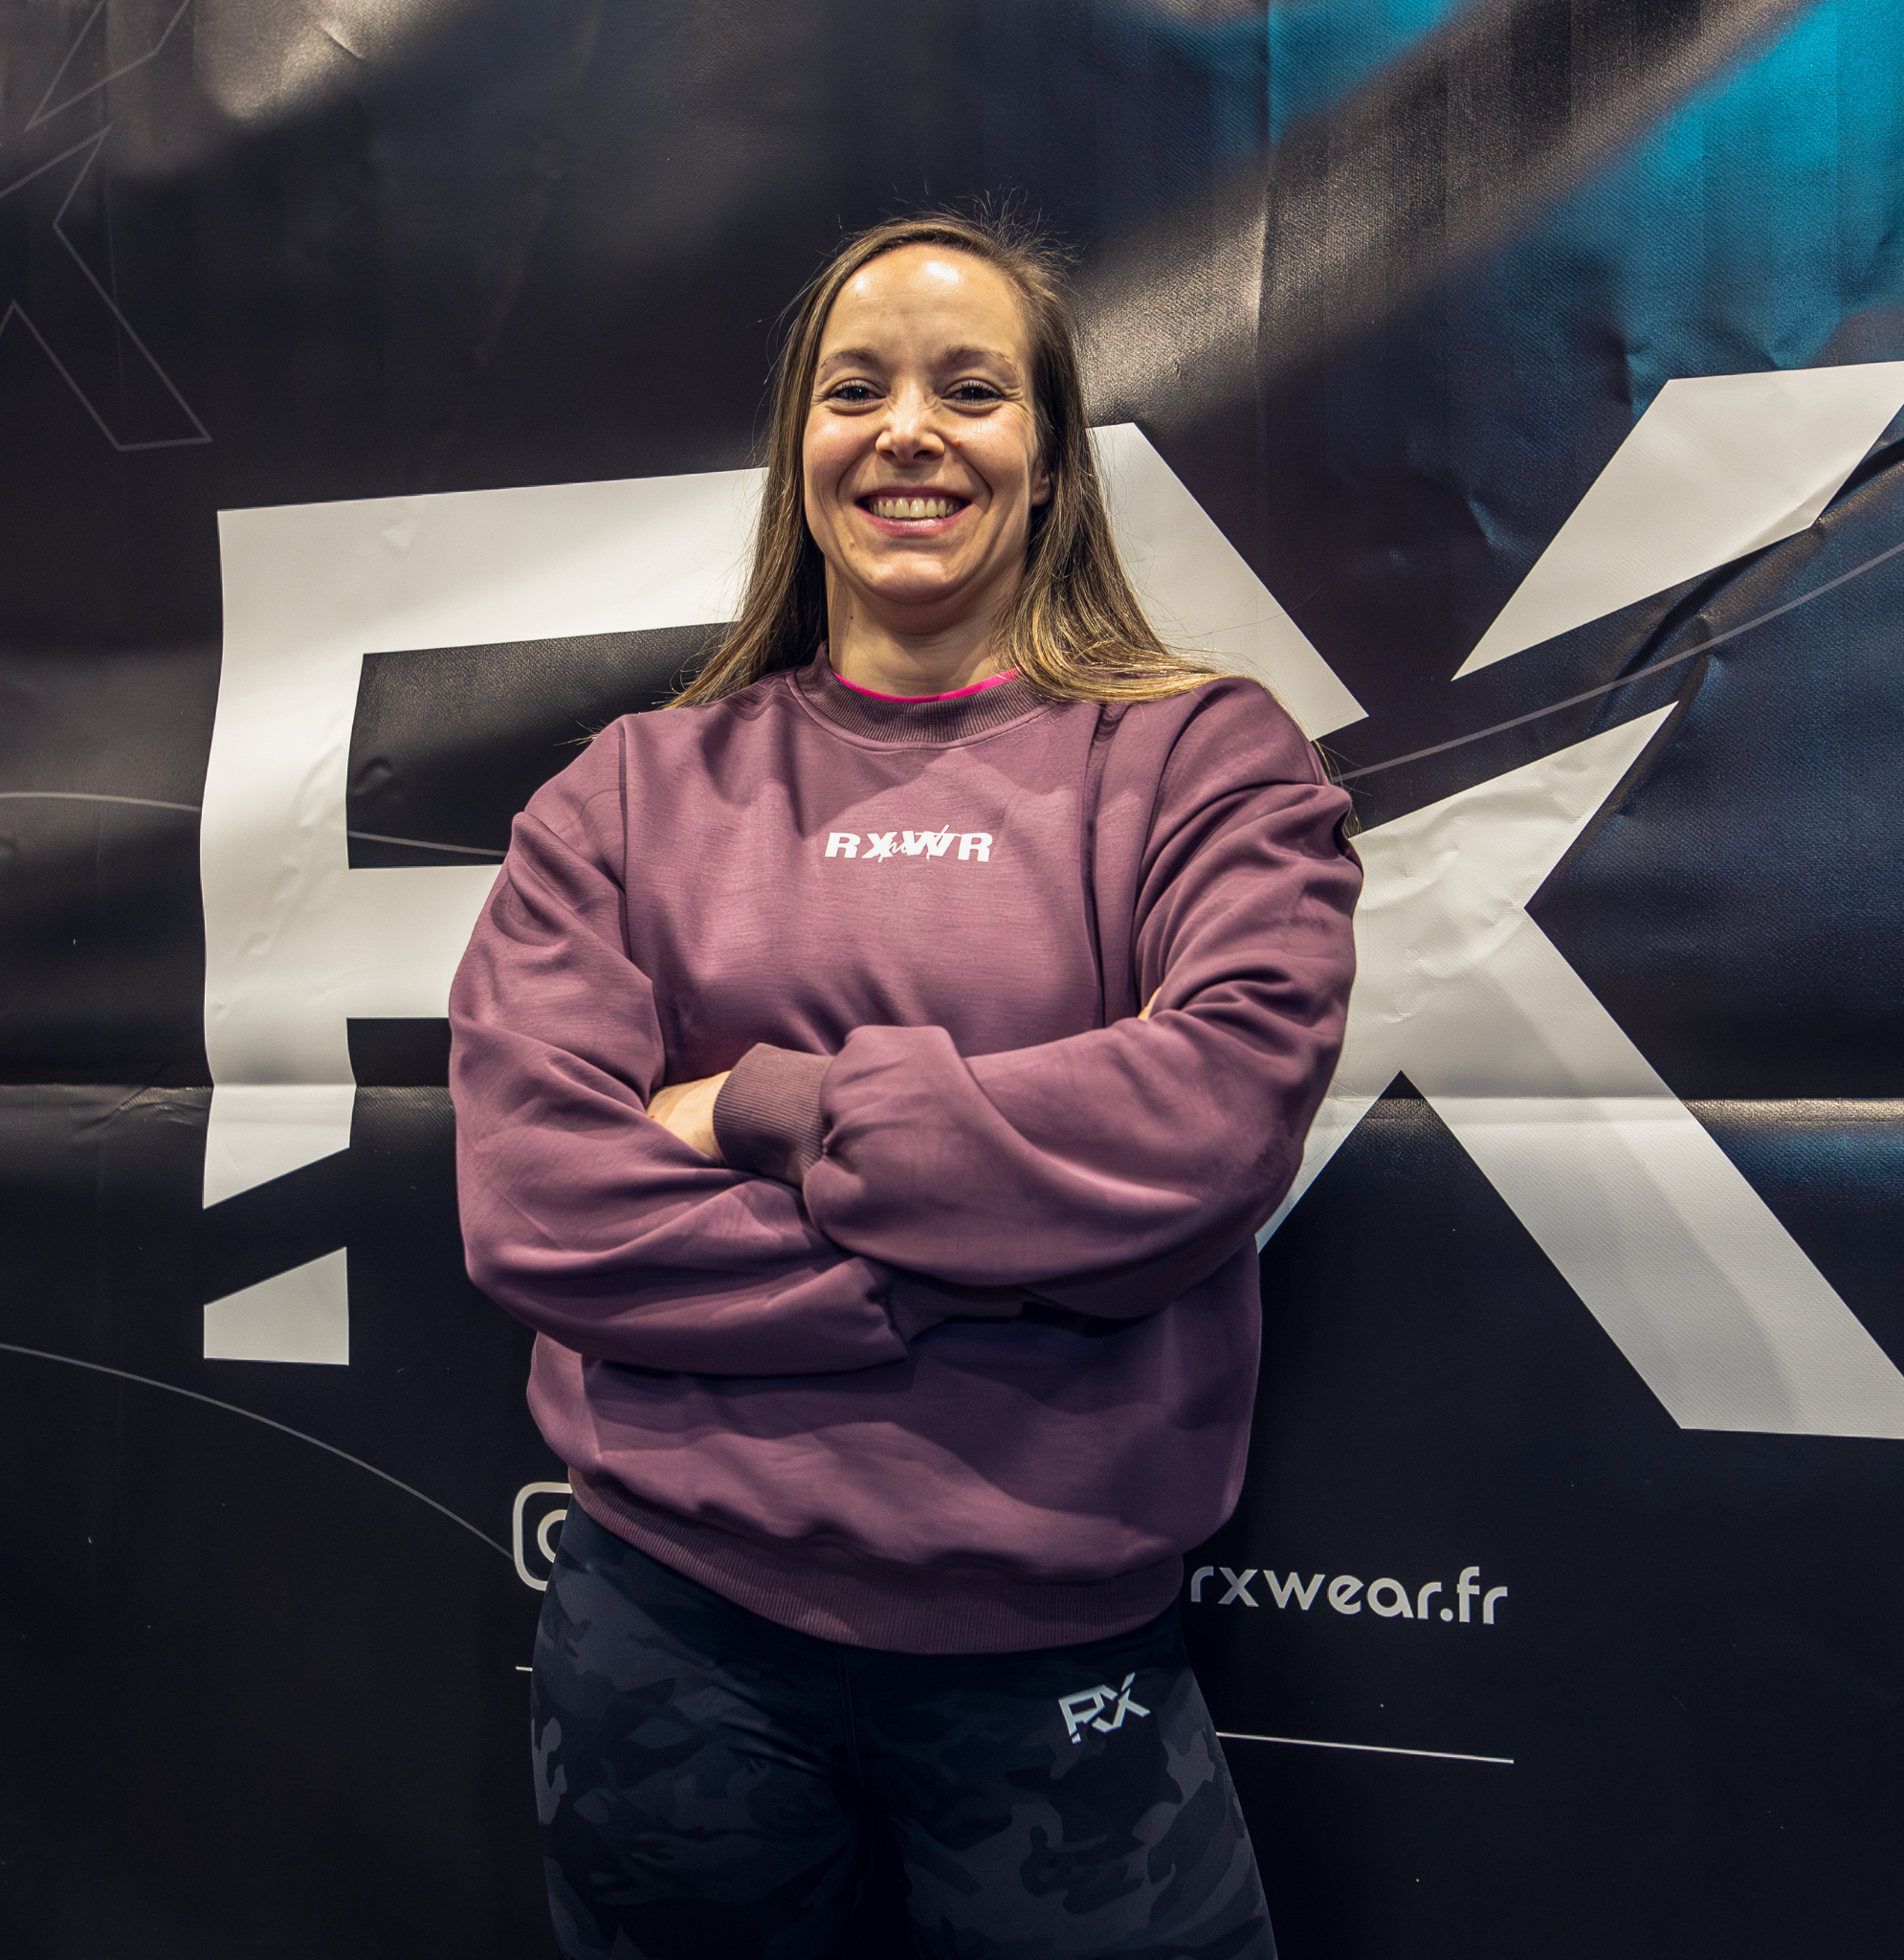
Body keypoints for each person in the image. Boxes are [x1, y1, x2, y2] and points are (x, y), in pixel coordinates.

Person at [449, 210, 1361, 1959]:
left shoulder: (1202, 761)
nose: (909, 431)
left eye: (971, 389)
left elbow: (1210, 1123)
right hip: (666, 1647)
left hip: (1058, 1670)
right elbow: (538, 1204)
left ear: (1052, 456)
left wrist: (762, 1108)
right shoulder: (628, 792)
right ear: (800, 452)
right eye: (854, 389)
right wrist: (1015, 1270)